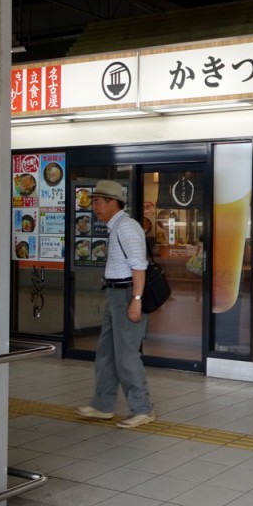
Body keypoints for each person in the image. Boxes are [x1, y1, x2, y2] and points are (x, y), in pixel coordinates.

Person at [74, 180, 155, 429]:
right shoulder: (116, 226)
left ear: (113, 202)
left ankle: (142, 408)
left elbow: (139, 265)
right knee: (107, 353)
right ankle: (102, 405)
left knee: (126, 356)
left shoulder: (127, 227)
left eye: (97, 202)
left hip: (127, 294)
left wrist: (136, 301)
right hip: (114, 295)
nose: (93, 207)